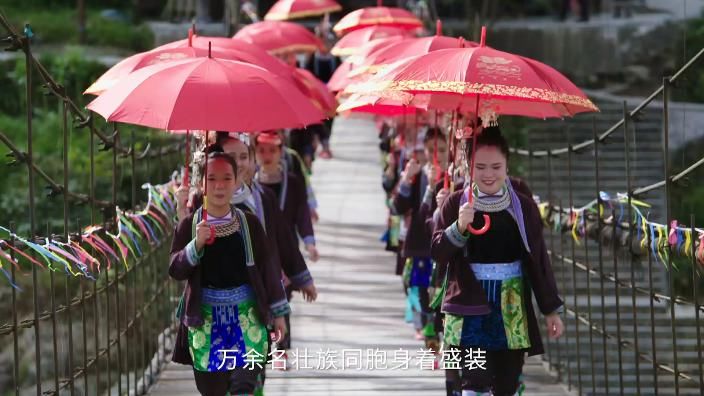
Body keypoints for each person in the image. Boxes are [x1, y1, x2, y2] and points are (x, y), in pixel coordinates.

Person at [431, 126, 564, 396]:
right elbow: (438, 253)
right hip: (468, 302)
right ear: (469, 167)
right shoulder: (456, 203)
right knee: (474, 383)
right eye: (480, 167)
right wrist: (458, 226)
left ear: (507, 166)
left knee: (506, 385)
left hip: (511, 307)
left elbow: (538, 261)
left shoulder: (524, 207)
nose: (488, 174)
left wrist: (551, 310)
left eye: (496, 166)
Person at [170, 151, 289, 396]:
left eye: (226, 178)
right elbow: (176, 269)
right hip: (205, 324)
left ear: (236, 181)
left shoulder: (249, 224)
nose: (219, 186)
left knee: (243, 386)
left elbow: (268, 268)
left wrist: (278, 313)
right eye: (211, 179)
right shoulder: (190, 226)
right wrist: (195, 246)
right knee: (212, 390)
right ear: (201, 184)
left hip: (248, 321)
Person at [254, 130, 319, 359]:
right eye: (261, 150)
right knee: (265, 300)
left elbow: (302, 215)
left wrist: (309, 243)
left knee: (283, 298)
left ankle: (282, 349)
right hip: (262, 251)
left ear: (281, 151)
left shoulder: (292, 182)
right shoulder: (251, 186)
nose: (267, 155)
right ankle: (266, 348)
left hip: (286, 248)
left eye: (272, 150)